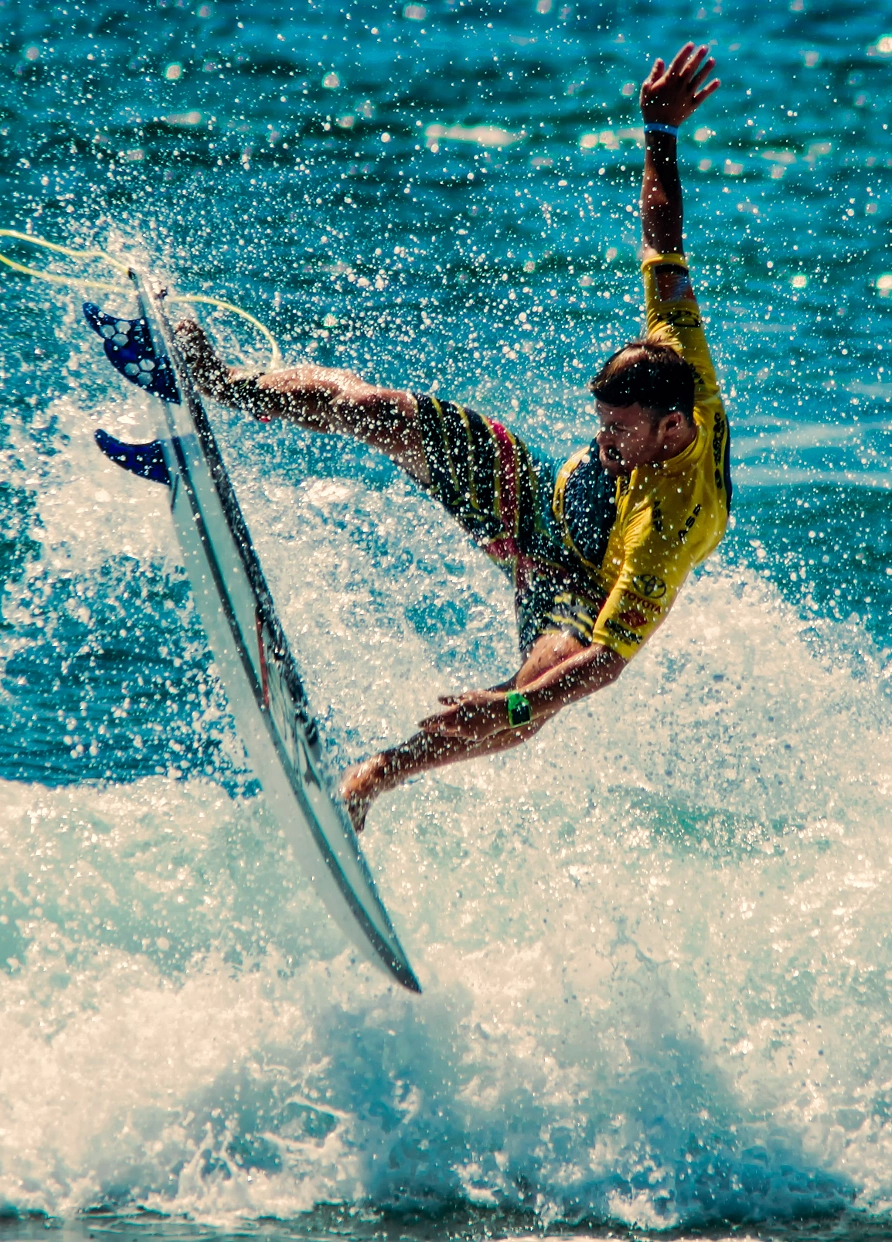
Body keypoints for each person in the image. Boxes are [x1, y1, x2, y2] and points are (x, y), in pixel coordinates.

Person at [174, 40, 732, 832]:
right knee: (387, 414)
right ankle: (227, 385)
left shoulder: (667, 531)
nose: (604, 441)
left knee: (536, 696)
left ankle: (374, 777)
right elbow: (664, 241)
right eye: (601, 424)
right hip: (534, 500)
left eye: (620, 431)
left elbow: (606, 662)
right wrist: (661, 133)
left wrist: (512, 704)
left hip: (577, 582)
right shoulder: (678, 353)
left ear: (672, 426)